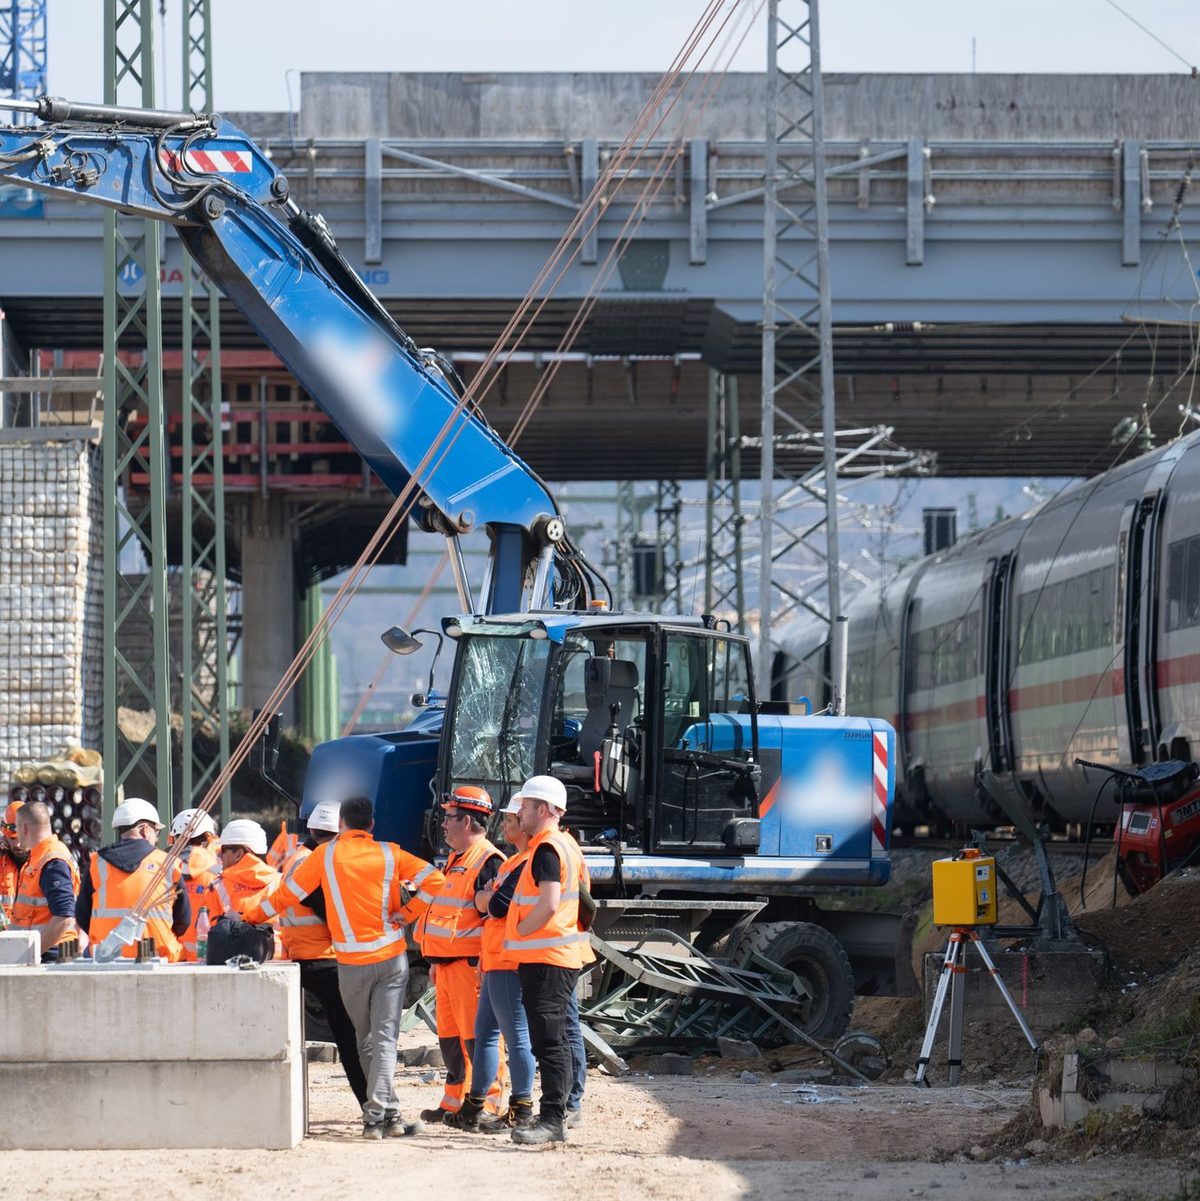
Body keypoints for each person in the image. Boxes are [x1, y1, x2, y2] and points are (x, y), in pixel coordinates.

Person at [244, 794, 444, 1140]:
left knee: (365, 1040)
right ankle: (386, 1114)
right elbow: (436, 881)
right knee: (383, 1040)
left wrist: (248, 916)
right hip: (392, 960)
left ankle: (378, 1114)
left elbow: (285, 895)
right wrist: (407, 914)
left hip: (350, 963)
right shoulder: (389, 852)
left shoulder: (324, 856)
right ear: (371, 825)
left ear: (342, 825)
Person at [502, 775, 588, 1145]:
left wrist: (521, 930)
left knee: (549, 1041)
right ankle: (558, 1113)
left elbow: (550, 902)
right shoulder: (564, 844)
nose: (519, 812)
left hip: (547, 956)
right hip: (556, 955)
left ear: (542, 809)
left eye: (524, 806)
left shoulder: (547, 848)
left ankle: (553, 1120)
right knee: (555, 1039)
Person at [415, 785, 505, 1127]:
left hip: (471, 969)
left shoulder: (488, 861)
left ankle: (490, 1104)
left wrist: (485, 965)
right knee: (452, 1041)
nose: (443, 824)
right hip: (448, 968)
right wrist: (437, 962)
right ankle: (455, 1101)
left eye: (448, 817)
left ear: (466, 821)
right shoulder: (457, 861)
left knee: (478, 1039)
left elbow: (493, 922)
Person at [274, 799, 368, 1109]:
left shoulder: (303, 857)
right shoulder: (312, 863)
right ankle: (374, 1107)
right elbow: (330, 911)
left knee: (351, 1035)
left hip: (309, 954)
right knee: (353, 1037)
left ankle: (374, 1106)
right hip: (323, 958)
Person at [459, 796, 538, 1133]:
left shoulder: (523, 864)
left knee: (516, 1037)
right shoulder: (511, 864)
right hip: (494, 957)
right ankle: (474, 1106)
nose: (504, 824)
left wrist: (489, 897)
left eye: (510, 818)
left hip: (509, 958)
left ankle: (521, 1109)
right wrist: (488, 898)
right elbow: (481, 902)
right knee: (486, 1035)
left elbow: (495, 906)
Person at [76, 797, 190, 961]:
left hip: (106, 957)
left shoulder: (97, 862)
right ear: (145, 830)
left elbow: (82, 914)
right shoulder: (168, 863)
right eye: (155, 831)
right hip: (158, 956)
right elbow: (183, 920)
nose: (156, 837)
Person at [12, 799, 80, 960]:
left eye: (16, 827)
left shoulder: (52, 861)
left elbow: (63, 916)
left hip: (50, 955)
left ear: (25, 828)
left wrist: (30, 954)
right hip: (46, 953)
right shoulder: (42, 856)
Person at [169, 808, 225, 961]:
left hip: (167, 955)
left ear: (173, 837)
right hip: (206, 956)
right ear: (209, 838)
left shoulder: (160, 870)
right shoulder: (219, 874)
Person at [213, 819, 279, 916]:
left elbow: (205, 927)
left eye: (223, 849)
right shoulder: (280, 883)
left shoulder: (217, 887)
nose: (219, 855)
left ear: (238, 854)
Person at [1, 800, 27, 921]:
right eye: (12, 839)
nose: (17, 844)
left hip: (34, 935)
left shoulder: (43, 862)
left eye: (20, 838)